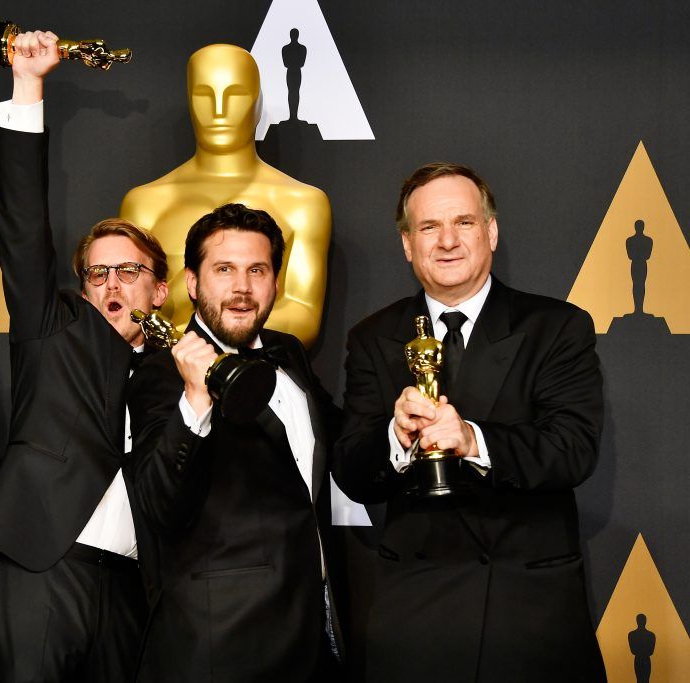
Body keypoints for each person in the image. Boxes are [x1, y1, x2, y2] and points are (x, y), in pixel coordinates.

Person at [334, 163, 606, 681]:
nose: (447, 241)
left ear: (491, 232)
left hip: (528, 610)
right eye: (429, 228)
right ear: (407, 244)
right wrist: (395, 438)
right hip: (418, 612)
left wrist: (473, 439)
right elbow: (351, 467)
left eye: (463, 222)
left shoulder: (556, 327)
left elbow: (573, 449)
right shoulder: (373, 337)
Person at [0, 30, 169, 682]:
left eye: (129, 270)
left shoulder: (183, 369)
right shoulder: (54, 332)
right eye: (97, 273)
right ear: (79, 291)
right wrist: (29, 88)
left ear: (160, 288)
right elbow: (24, 226)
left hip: (135, 593)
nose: (112, 284)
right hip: (40, 569)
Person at [128, 203, 343, 682]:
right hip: (221, 645)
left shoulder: (288, 354)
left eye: (257, 270)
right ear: (192, 282)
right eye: (223, 269)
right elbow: (159, 505)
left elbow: (341, 445)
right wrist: (196, 400)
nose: (242, 288)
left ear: (275, 282)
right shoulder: (160, 375)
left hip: (315, 638)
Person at [120, 43, 331, 347]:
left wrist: (200, 336)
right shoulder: (145, 204)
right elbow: (132, 308)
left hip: (263, 378)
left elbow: (303, 315)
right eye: (204, 96)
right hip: (163, 379)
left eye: (235, 95)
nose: (218, 111)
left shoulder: (303, 203)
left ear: (257, 104)